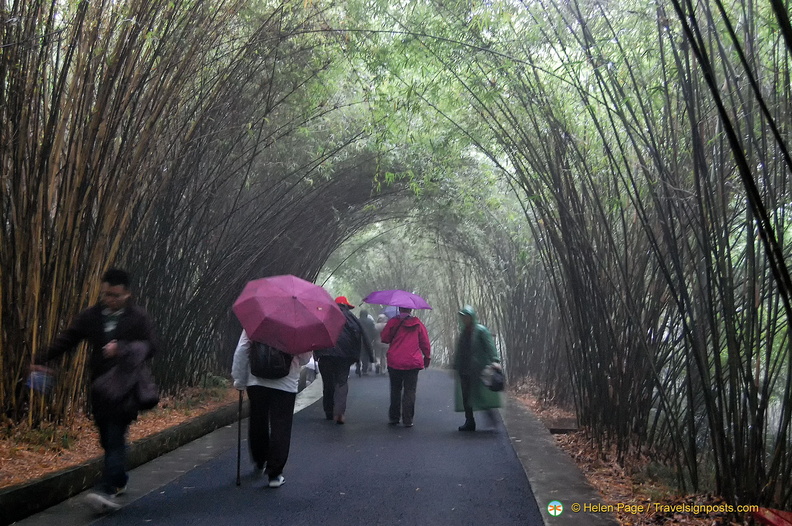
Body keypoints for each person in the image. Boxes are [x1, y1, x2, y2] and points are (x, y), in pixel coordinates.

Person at [33, 268, 159, 512]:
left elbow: (152, 346)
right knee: (107, 438)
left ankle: (106, 488)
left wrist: (121, 348)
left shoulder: (138, 317)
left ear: (127, 294)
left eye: (116, 295)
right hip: (100, 388)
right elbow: (68, 339)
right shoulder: (92, 316)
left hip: (126, 388)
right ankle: (119, 479)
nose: (110, 299)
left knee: (114, 436)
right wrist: (41, 359)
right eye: (106, 295)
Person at [232, 330, 311, 488]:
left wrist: (239, 380)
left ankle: (260, 461)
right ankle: (275, 474)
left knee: (258, 420)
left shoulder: (259, 321)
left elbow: (242, 349)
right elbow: (304, 358)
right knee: (281, 426)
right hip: (286, 384)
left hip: (257, 380)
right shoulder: (298, 325)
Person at [314, 296, 374, 424]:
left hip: (325, 354)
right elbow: (361, 334)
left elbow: (316, 333)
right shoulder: (351, 318)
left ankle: (329, 412)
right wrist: (367, 356)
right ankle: (340, 412)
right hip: (344, 357)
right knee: (342, 382)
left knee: (328, 383)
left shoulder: (324, 316)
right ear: (347, 306)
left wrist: (316, 353)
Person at [453, 305, 502, 431]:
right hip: (465, 369)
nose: (464, 320)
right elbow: (460, 351)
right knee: (466, 396)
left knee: (481, 395)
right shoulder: (464, 332)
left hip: (479, 369)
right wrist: (456, 365)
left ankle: (492, 417)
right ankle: (469, 421)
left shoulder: (481, 330)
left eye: (467, 317)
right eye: (463, 317)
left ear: (472, 317)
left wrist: (495, 360)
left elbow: (489, 346)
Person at [380, 307, 431, 427]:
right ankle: (408, 419)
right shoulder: (417, 323)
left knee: (395, 390)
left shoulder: (393, 322)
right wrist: (427, 357)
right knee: (410, 390)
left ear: (399, 308)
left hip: (395, 361)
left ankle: (394, 417)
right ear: (411, 309)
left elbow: (385, 339)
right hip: (412, 362)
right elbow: (425, 342)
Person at [355, 309, 378, 375]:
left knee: (358, 354)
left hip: (359, 340)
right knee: (366, 355)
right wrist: (372, 339)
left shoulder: (357, 321)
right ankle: (364, 369)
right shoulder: (370, 322)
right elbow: (374, 331)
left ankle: (358, 366)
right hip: (368, 340)